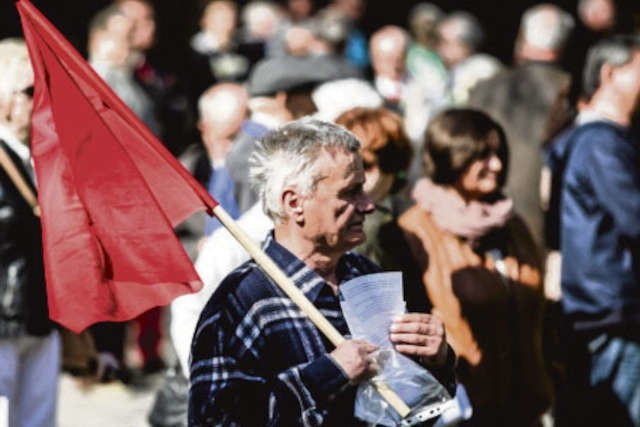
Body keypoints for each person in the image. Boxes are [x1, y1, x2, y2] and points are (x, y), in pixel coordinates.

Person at [189, 118, 455, 425]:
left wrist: (437, 360)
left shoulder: (365, 276)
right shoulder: (241, 303)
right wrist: (324, 376)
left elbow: (412, 413)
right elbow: (216, 420)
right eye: (351, 192)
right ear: (295, 203)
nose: (368, 205)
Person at [399, 109, 552, 426]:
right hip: (465, 408)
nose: (496, 165)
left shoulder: (511, 224)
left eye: (499, 153)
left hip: (525, 405)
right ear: (451, 156)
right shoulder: (416, 232)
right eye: (482, 155)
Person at [551, 36, 640, 427]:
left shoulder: (583, 138)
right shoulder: (600, 143)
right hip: (611, 309)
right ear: (609, 74)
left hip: (599, 308)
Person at [0, 37, 59, 427]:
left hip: (39, 312)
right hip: (4, 314)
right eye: (29, 92)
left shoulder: (41, 159)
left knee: (37, 420)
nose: (40, 103)